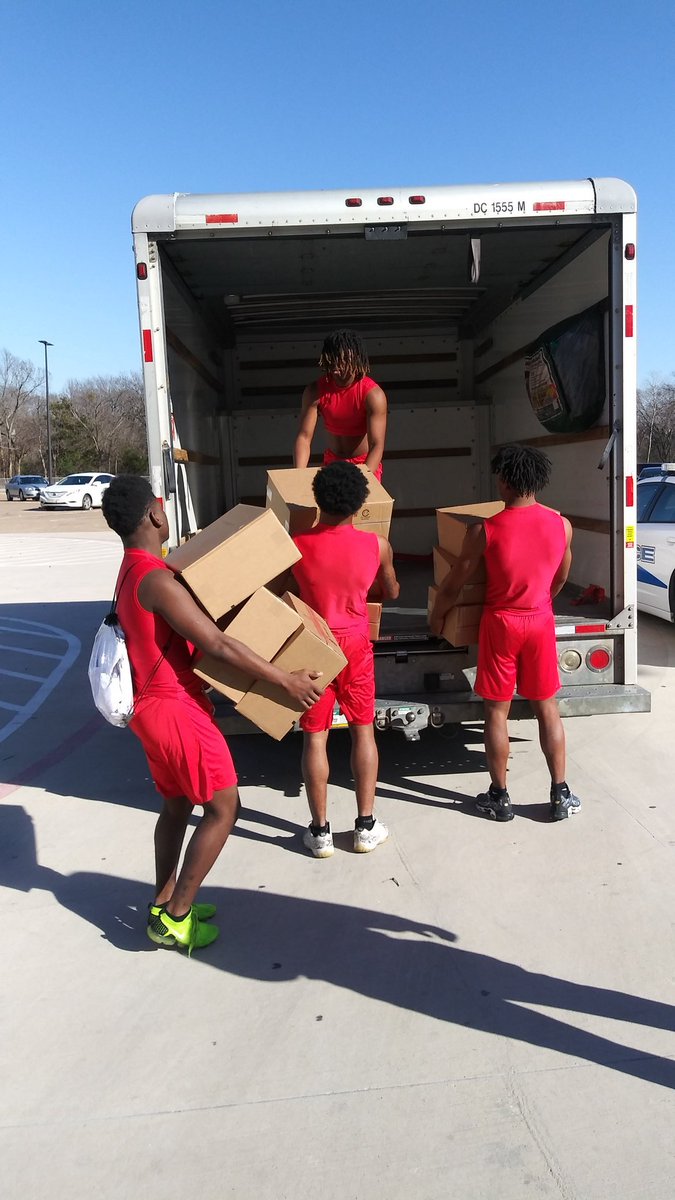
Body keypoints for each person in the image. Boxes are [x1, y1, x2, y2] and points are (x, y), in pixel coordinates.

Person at [101, 475, 325, 954]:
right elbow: (217, 644)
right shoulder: (156, 579)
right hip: (174, 707)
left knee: (177, 805)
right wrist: (284, 680)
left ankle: (164, 899)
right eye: (161, 507)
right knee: (225, 807)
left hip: (149, 706)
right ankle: (176, 918)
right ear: (154, 515)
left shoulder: (131, 569)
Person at [429, 444, 581, 823]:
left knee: (497, 710)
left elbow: (454, 582)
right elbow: (560, 578)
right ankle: (560, 793)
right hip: (540, 619)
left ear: (505, 480)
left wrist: (437, 615)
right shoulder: (561, 525)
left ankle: (500, 796)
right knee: (547, 706)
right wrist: (541, 601)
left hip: (502, 623)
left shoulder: (485, 529)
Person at [289, 461, 400, 856]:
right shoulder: (376, 546)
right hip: (355, 641)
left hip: (314, 641)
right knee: (363, 730)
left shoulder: (296, 543)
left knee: (314, 738)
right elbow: (390, 591)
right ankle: (365, 826)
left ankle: (319, 832)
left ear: (318, 500)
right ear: (360, 504)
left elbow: (282, 590)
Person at [294, 329, 387, 481]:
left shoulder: (373, 395)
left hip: (365, 465)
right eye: (333, 358)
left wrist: (364, 479)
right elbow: (304, 437)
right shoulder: (314, 391)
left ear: (356, 359)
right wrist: (298, 475)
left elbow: (376, 445)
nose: (337, 365)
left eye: (343, 359)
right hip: (333, 464)